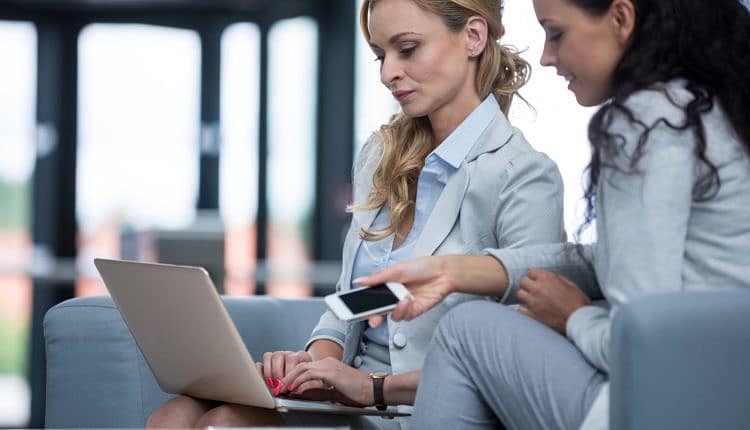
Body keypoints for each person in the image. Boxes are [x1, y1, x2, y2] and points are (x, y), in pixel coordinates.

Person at [146, 0, 566, 428]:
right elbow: (357, 304)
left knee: (225, 425)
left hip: (424, 407)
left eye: (407, 48)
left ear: (474, 37)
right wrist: (313, 364)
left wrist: (372, 386)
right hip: (354, 400)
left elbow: (521, 364)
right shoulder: (382, 156)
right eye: (382, 55)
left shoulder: (523, 176)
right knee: (174, 415)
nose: (387, 74)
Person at [357, 0, 750, 428]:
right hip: (722, 392)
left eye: (557, 33)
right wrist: (455, 271)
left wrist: (573, 317)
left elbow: (642, 344)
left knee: (468, 327)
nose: (545, 56)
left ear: (621, 19)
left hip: (669, 403)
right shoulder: (706, 110)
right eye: (380, 56)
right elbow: (609, 258)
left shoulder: (644, 123)